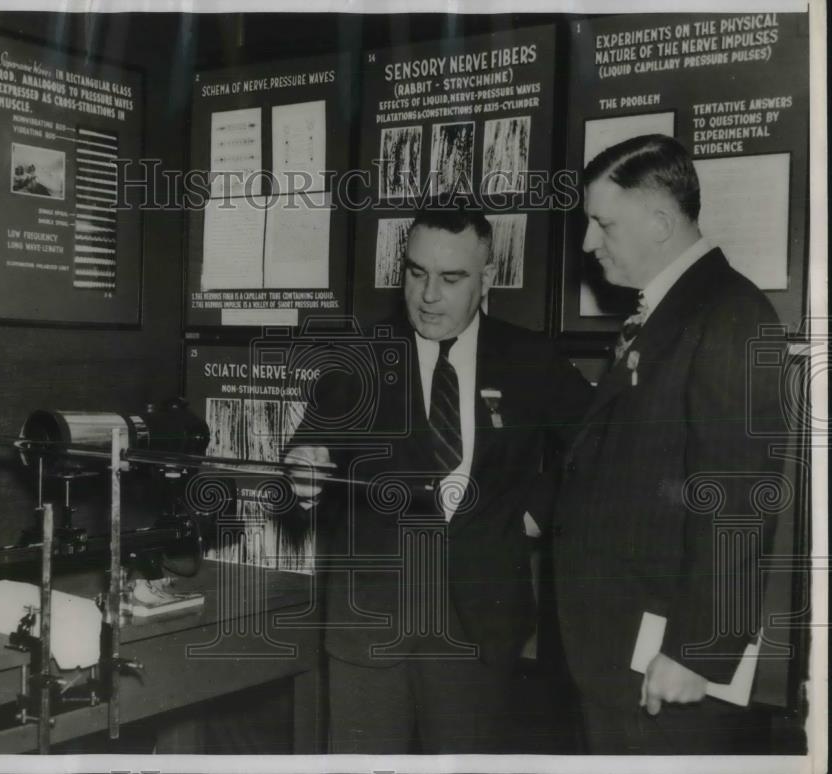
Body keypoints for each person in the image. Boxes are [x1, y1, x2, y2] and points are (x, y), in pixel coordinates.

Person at [284, 206, 592, 753]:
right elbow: (314, 439)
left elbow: (601, 443)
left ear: (487, 279)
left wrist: (535, 509)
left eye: (451, 279)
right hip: (372, 620)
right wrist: (306, 462)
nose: (429, 295)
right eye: (416, 272)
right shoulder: (362, 358)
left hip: (478, 622)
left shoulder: (529, 359)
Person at [552, 134, 783, 753]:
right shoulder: (670, 310)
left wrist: (698, 650)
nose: (588, 243)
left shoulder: (730, 314)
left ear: (659, 222)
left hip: (665, 663)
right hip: (620, 648)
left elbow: (739, 496)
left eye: (602, 224)